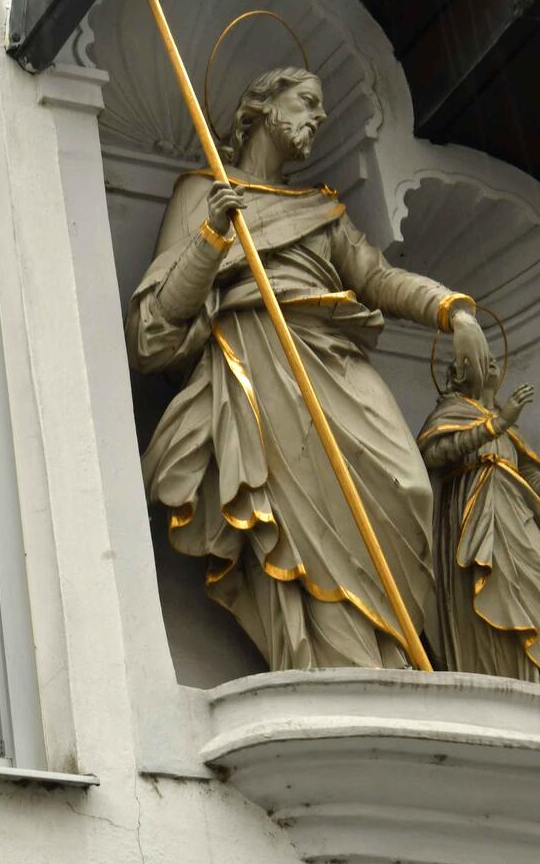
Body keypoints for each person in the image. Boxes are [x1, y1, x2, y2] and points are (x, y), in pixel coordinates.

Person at [128, 66, 493, 669]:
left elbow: (377, 279)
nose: (319, 117)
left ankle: (390, 650)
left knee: (408, 483)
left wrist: (451, 309)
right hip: (259, 364)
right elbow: (153, 331)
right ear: (264, 106)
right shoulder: (202, 193)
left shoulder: (321, 209)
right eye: (307, 102)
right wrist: (213, 235)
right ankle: (328, 659)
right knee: (294, 518)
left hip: (332, 357)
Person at [418, 344, 540, 679]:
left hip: (515, 511)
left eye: (495, 359)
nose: (492, 362)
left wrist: (503, 424)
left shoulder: (509, 426)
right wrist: (496, 424)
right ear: (459, 372)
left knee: (532, 580)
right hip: (474, 512)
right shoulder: (452, 412)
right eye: (483, 358)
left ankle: (528, 674)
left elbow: (528, 474)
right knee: (491, 582)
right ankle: (497, 669)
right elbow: (434, 455)